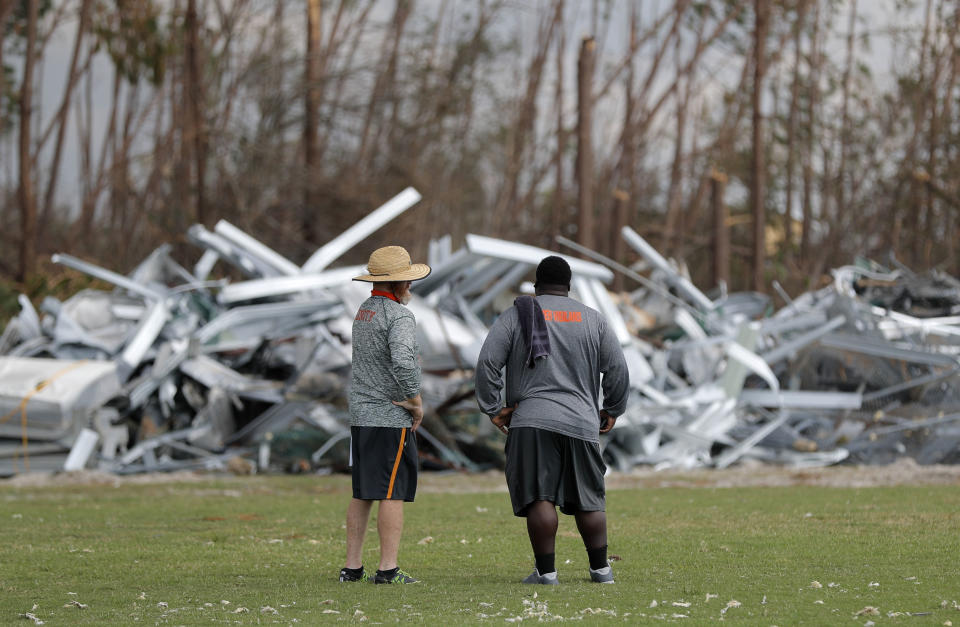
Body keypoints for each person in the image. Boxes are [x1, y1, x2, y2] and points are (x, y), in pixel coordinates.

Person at [475, 255, 629, 584]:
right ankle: (601, 570)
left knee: (539, 495)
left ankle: (546, 574)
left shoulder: (516, 315)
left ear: (536, 285)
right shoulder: (594, 320)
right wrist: (612, 408)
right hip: (581, 421)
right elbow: (617, 369)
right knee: (589, 497)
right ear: (569, 287)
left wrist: (492, 407)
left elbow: (488, 361)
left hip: (531, 420)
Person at [339, 245, 431, 585]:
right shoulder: (400, 316)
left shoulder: (363, 310)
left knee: (362, 491)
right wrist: (415, 400)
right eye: (407, 281)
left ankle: (352, 567)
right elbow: (404, 361)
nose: (410, 287)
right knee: (393, 492)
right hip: (389, 416)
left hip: (361, 414)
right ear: (400, 284)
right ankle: (388, 569)